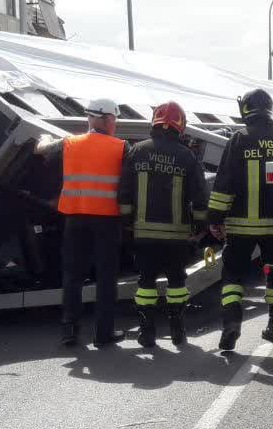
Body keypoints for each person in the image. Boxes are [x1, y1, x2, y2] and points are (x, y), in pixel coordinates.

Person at [207, 88, 273, 350]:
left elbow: (224, 183)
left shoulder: (238, 139)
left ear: (245, 109)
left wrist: (215, 218)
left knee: (232, 275)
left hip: (239, 226)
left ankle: (231, 324)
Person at [118, 101, 208, 348]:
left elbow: (123, 191)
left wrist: (126, 222)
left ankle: (147, 333)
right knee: (177, 282)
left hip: (143, 234)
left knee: (145, 282)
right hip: (176, 236)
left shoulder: (137, 150)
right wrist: (201, 225)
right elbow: (200, 196)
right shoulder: (186, 155)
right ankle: (178, 331)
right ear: (180, 126)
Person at [39, 97, 127, 348]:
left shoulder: (69, 143)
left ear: (90, 118)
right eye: (115, 119)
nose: (115, 123)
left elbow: (42, 150)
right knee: (106, 277)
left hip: (76, 218)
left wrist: (44, 138)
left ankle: (69, 331)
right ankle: (103, 334)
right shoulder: (120, 147)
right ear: (108, 119)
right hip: (107, 220)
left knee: (73, 276)